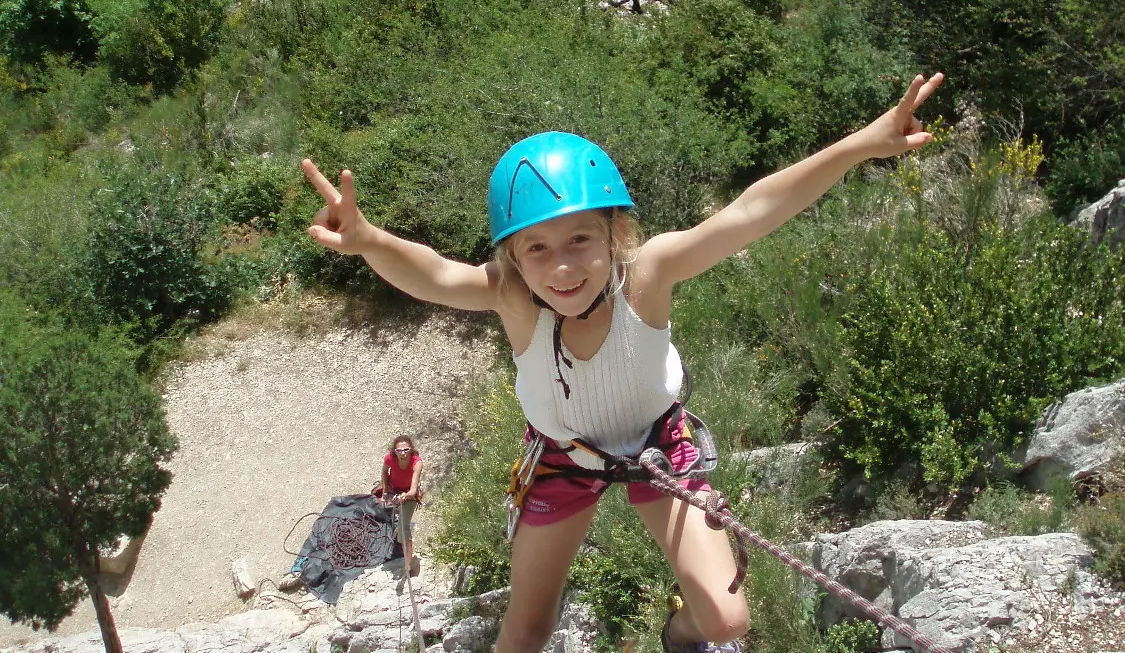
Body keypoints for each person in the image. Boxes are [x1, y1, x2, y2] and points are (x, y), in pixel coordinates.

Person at [302, 72, 942, 653]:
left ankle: (679, 633)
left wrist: (860, 144)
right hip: (561, 457)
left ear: (614, 234)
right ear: (515, 259)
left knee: (726, 621)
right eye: (538, 248)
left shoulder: (648, 275)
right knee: (526, 630)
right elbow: (435, 274)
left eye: (581, 238)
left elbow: (752, 211)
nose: (562, 265)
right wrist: (369, 241)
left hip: (657, 445)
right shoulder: (513, 297)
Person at [377, 434, 423, 566]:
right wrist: (385, 491)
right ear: (394, 451)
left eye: (406, 450)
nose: (403, 453)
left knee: (404, 528)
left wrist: (405, 496)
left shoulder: (416, 462)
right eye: (399, 451)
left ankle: (408, 565)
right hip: (393, 490)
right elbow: (385, 472)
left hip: (408, 495)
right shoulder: (390, 458)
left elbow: (413, 489)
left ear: (411, 450)